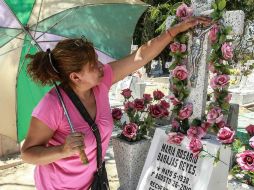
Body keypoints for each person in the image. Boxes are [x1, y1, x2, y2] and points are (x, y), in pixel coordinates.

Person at [21, 16, 211, 190]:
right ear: (75, 77)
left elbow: (140, 57)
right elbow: (28, 154)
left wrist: (174, 31)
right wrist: (62, 150)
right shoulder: (52, 105)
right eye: (93, 65)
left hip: (94, 184)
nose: (101, 66)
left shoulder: (100, 84)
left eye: (97, 59)